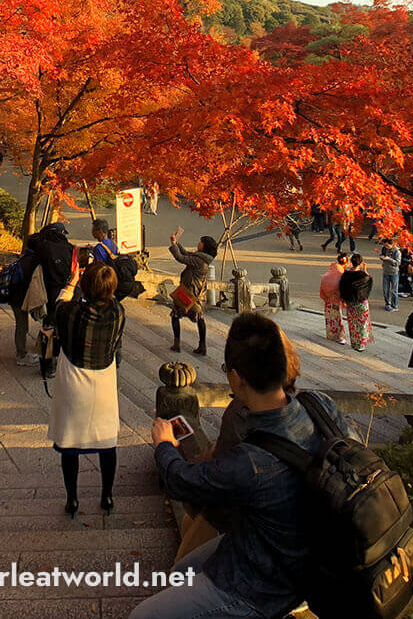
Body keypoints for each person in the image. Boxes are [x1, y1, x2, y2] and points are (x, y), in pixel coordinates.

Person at [133, 314, 348, 619]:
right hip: (301, 548)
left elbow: (182, 481)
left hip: (263, 583)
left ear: (235, 378)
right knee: (181, 572)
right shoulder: (320, 404)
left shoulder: (251, 459)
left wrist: (165, 445)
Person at [174, 333, 303, 563]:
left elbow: (216, 484)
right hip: (297, 522)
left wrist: (164, 446)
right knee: (189, 522)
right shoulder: (307, 406)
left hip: (255, 529)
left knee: (181, 570)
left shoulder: (239, 414)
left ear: (238, 376)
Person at [49, 264, 125, 516]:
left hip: (73, 381)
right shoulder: (118, 313)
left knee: (70, 443)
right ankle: (107, 495)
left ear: (86, 285)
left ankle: (72, 499)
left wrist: (71, 284)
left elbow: (58, 305)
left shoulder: (71, 313)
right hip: (103, 382)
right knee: (107, 442)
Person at [8, 220, 77, 366]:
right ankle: (23, 355)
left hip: (17, 294)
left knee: (25, 324)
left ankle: (35, 350)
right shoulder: (40, 258)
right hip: (22, 295)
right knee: (28, 325)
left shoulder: (29, 258)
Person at [169, 228, 215, 355]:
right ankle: (202, 345)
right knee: (199, 318)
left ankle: (177, 343)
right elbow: (186, 253)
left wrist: (174, 245)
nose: (198, 242)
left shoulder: (199, 260)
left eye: (201, 241)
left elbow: (180, 257)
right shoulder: (202, 257)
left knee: (176, 315)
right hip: (196, 293)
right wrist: (176, 243)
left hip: (189, 293)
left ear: (204, 245)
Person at [339, 253, 374, 352]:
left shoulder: (346, 275)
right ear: (361, 263)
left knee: (353, 323)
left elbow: (341, 288)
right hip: (361, 302)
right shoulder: (363, 276)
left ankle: (354, 342)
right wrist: (366, 271)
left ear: (351, 262)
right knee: (362, 323)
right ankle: (361, 344)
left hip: (350, 302)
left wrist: (344, 299)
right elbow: (369, 283)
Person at [319, 254, 349, 345]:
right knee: (338, 318)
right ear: (346, 263)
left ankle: (330, 334)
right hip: (336, 299)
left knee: (329, 318)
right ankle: (340, 337)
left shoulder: (329, 272)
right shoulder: (341, 274)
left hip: (328, 299)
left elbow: (323, 285)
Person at [379, 238, 401, 312]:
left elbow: (397, 263)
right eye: (385, 245)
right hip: (385, 271)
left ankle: (395, 305)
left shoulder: (397, 252)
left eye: (387, 246)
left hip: (394, 272)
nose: (386, 247)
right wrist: (381, 257)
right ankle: (387, 303)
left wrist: (389, 259)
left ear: (392, 244)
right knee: (385, 289)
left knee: (394, 290)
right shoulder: (384, 249)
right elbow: (381, 255)